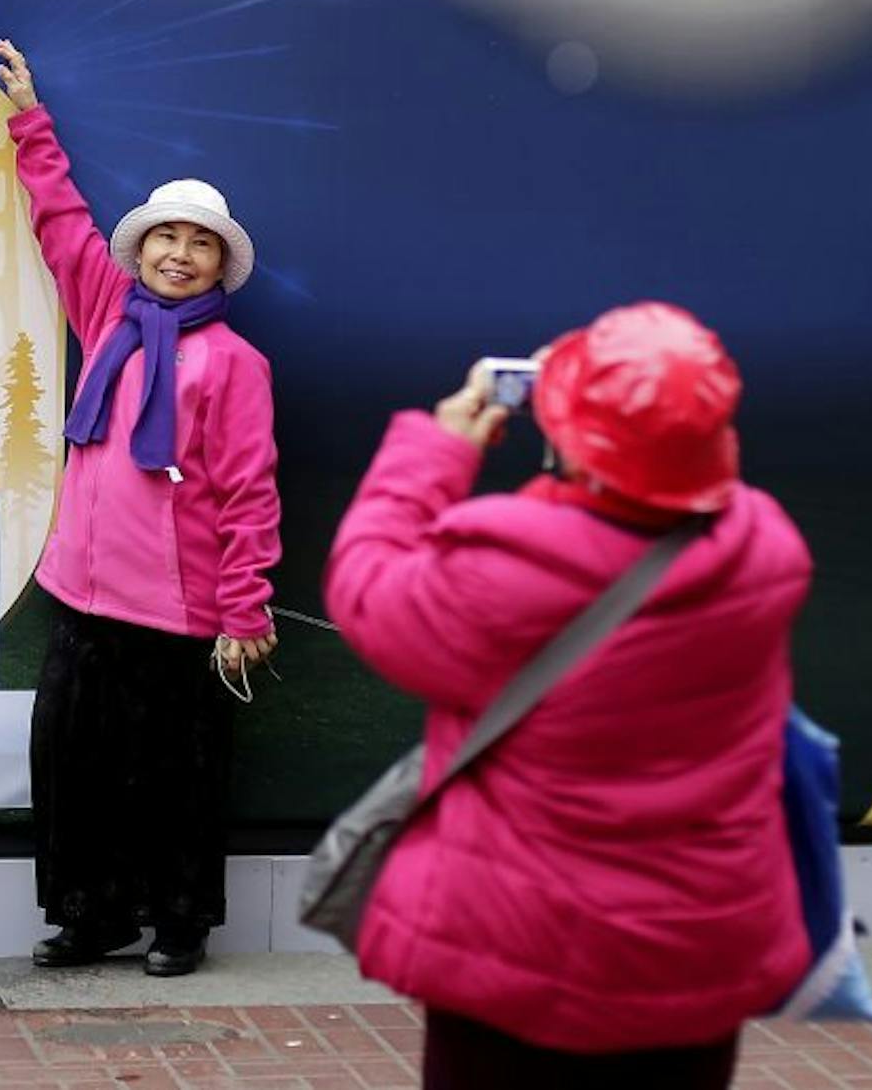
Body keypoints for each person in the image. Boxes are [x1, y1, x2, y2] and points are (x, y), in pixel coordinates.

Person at [324, 302, 811, 1088]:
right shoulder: (766, 550)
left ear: (576, 441)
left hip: (519, 953)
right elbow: (684, 481)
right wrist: (616, 406)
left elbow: (366, 590)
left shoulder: (508, 569)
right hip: (695, 951)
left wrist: (439, 448)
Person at [0, 39, 282, 977]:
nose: (180, 255)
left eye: (200, 244)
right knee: (74, 772)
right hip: (82, 601)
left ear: (219, 266)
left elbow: (250, 494)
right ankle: (93, 919)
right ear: (142, 248)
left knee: (176, 779)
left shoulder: (236, 365)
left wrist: (244, 611)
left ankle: (180, 925)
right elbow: (59, 217)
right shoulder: (103, 312)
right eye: (167, 237)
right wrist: (30, 121)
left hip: (180, 616)